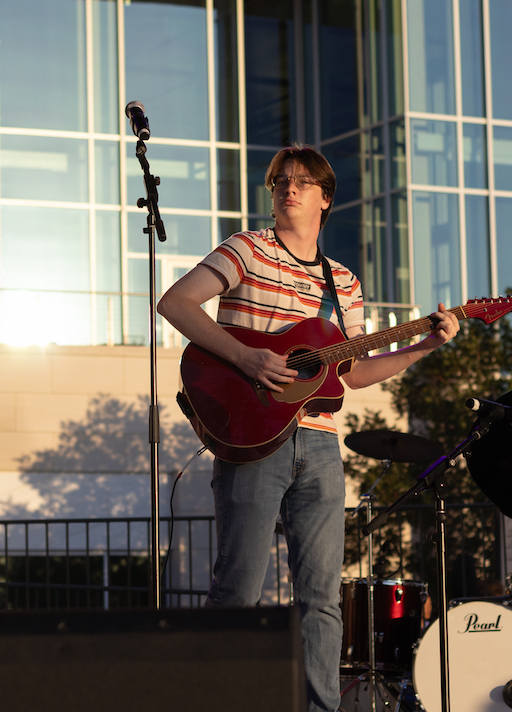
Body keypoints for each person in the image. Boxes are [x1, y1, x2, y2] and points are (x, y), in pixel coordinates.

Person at [157, 145, 459, 712]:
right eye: (279, 182)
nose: (287, 189)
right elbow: (175, 303)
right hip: (251, 437)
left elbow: (351, 373)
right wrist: (248, 359)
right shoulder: (246, 249)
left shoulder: (343, 282)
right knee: (237, 589)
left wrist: (423, 346)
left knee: (321, 598)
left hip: (319, 445)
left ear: (325, 199)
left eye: (302, 182)